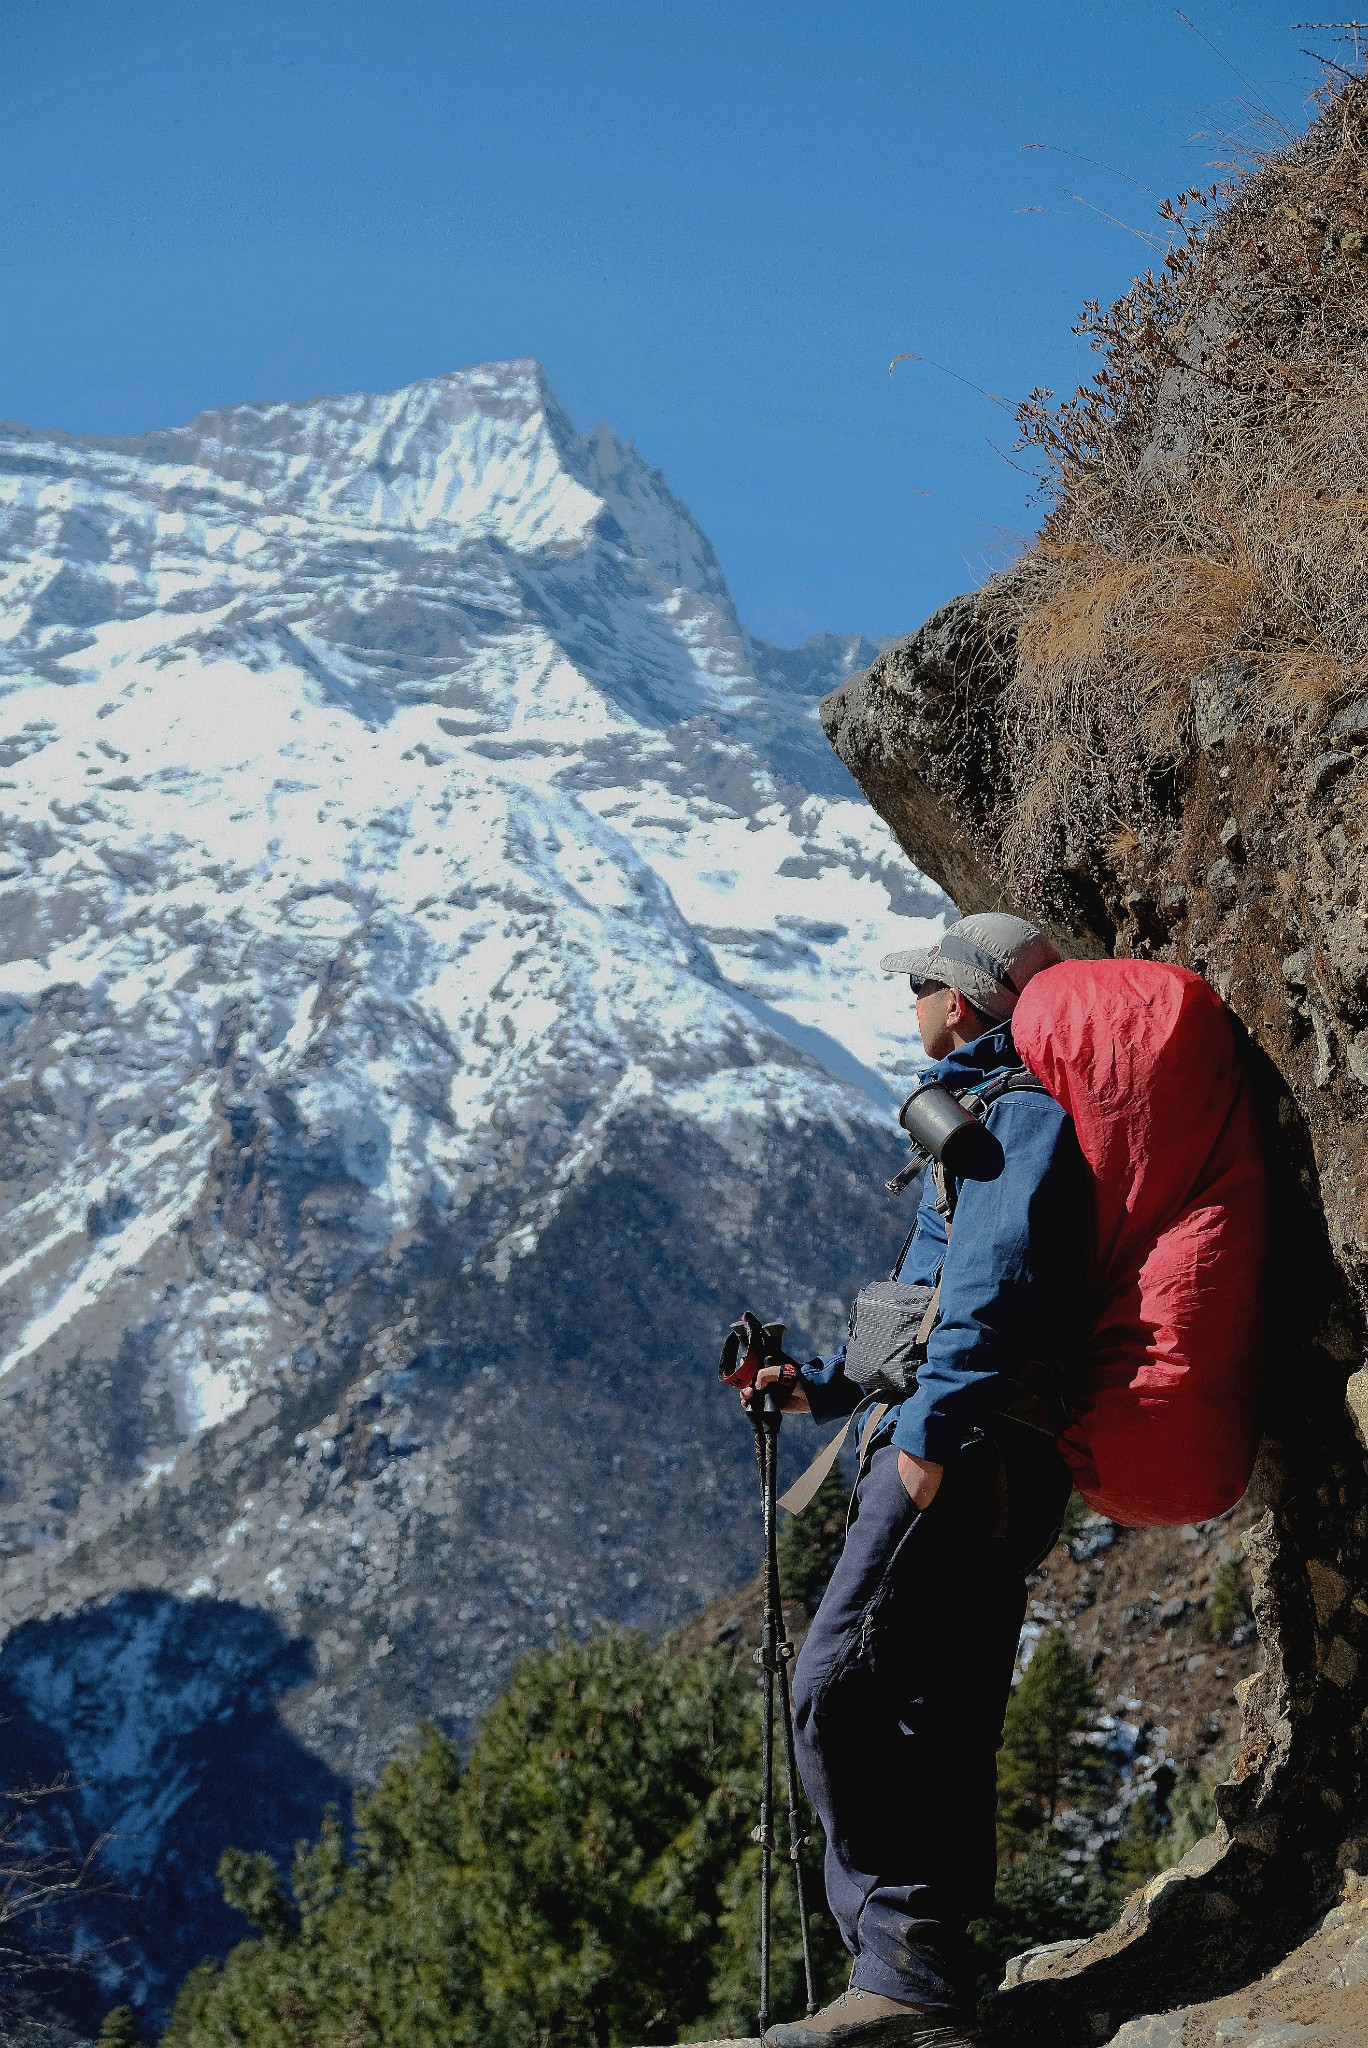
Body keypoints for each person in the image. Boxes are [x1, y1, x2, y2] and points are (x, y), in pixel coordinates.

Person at [752, 912, 1087, 2048]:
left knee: (835, 1683)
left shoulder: (1017, 1118)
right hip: (984, 1447)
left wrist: (927, 1437)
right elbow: (933, 1302)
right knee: (928, 1705)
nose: (912, 1007)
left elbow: (988, 1290)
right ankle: (932, 1978)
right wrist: (817, 1389)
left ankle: (897, 1969)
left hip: (963, 1451)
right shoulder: (990, 1121)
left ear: (963, 1002)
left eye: (922, 988)